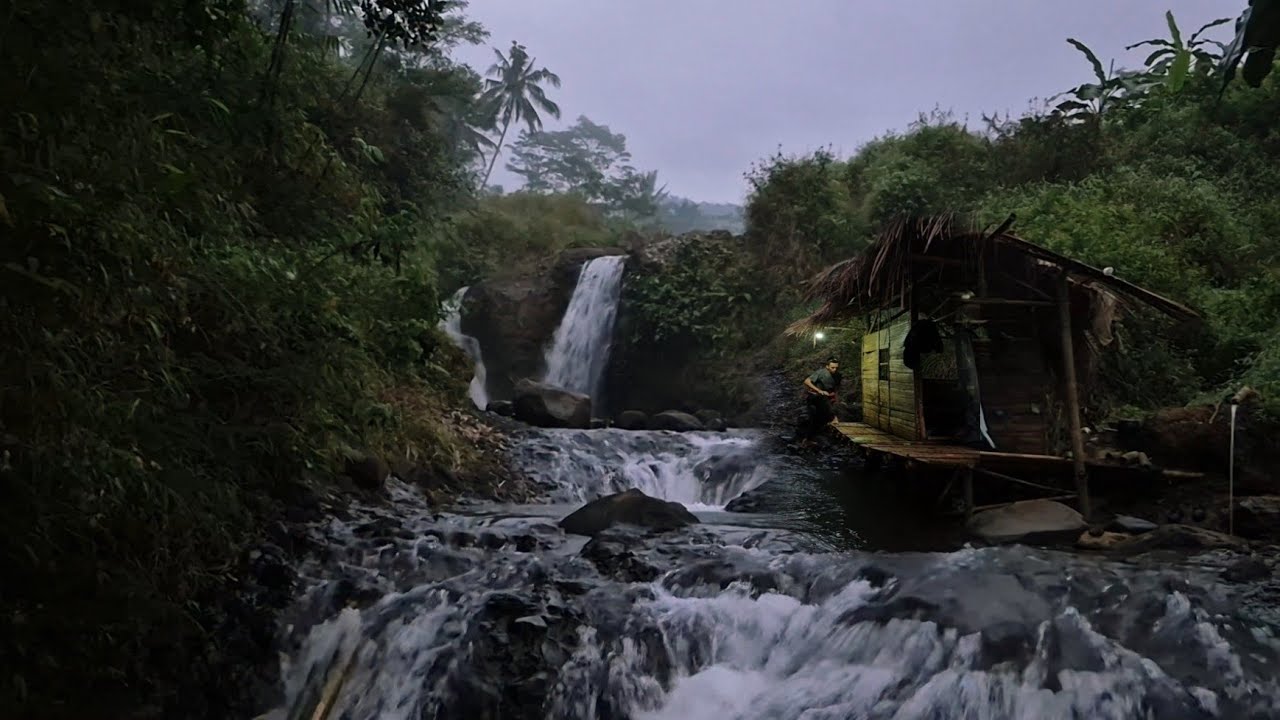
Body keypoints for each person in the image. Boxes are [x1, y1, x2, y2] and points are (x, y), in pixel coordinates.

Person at [800, 357, 841, 439]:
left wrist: (834, 397)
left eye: (836, 368)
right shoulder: (821, 372)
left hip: (827, 398)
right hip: (815, 396)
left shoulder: (838, 375)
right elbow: (807, 381)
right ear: (827, 366)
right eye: (832, 367)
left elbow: (835, 388)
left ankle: (813, 438)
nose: (834, 369)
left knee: (819, 417)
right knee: (814, 415)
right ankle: (833, 418)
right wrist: (819, 390)